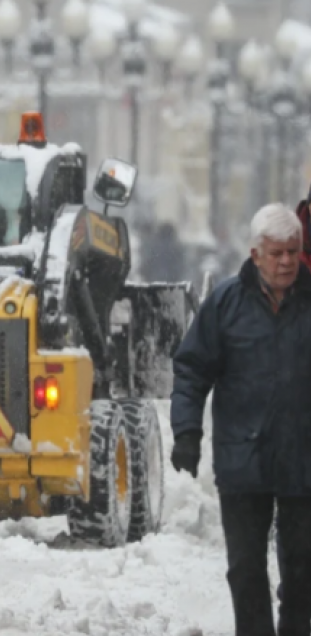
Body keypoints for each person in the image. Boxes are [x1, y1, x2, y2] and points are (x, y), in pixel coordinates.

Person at [170, 202, 311, 636]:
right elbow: (192, 368)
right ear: (255, 255)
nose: (287, 261)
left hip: (304, 462)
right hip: (243, 461)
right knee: (246, 572)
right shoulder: (225, 303)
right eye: (277, 253)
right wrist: (187, 431)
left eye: (293, 251)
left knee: (304, 577)